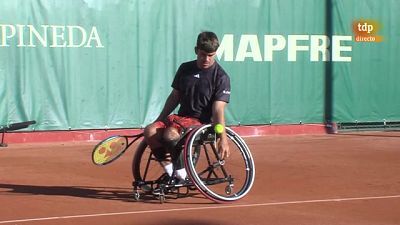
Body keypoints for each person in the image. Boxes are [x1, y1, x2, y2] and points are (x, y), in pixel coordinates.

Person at [143, 31, 231, 182]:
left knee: (170, 134)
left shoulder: (221, 77)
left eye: (211, 55)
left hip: (202, 123)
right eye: (203, 54)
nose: (207, 59)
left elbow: (218, 110)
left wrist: (223, 138)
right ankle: (174, 173)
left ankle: (181, 173)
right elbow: (174, 97)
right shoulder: (185, 68)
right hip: (180, 119)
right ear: (196, 50)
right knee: (150, 130)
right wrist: (159, 119)